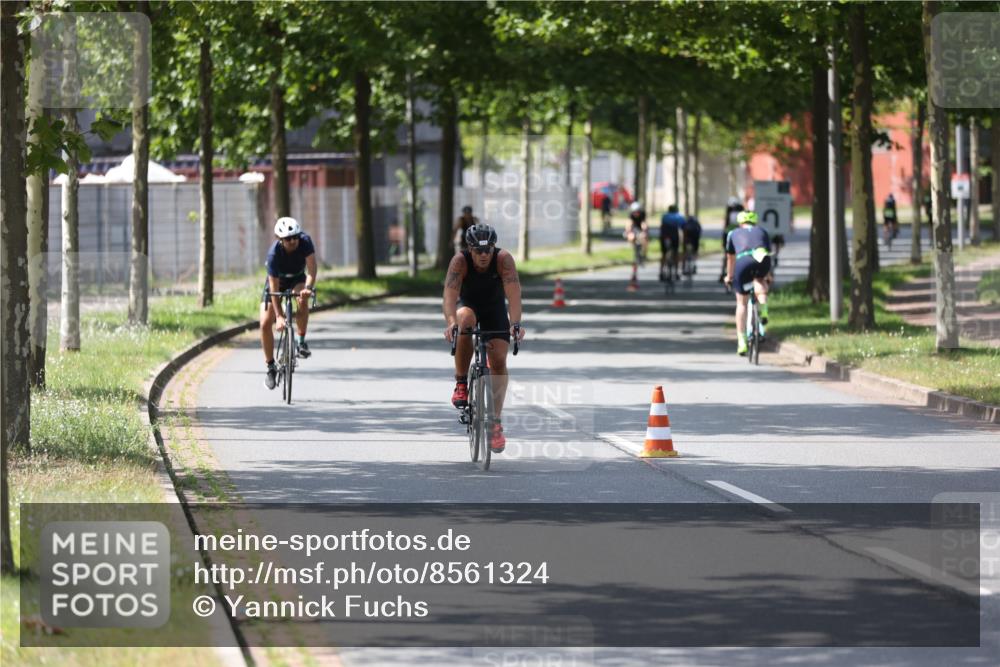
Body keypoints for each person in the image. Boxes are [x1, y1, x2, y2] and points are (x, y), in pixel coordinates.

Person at [443, 224, 525, 453]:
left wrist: (515, 323)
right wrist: (451, 323)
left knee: (499, 360)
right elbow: (449, 296)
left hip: (494, 309)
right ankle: (461, 383)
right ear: (469, 249)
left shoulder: (503, 260)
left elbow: (514, 292)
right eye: (478, 251)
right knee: (464, 320)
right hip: (467, 306)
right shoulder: (459, 262)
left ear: (493, 248)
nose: (483, 255)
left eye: (487, 250)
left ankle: (495, 423)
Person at [261, 216, 317, 389]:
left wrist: (308, 287)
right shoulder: (273, 254)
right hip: (277, 282)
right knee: (264, 323)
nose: (293, 241)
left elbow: (312, 268)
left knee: (302, 298)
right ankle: (271, 368)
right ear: (280, 239)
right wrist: (278, 316)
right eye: (288, 239)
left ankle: (300, 341)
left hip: (298, 279)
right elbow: (273, 287)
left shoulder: (305, 241)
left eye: (295, 237)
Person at [724, 211, 772, 356]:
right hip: (762, 259)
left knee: (742, 303)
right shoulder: (763, 231)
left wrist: (729, 276)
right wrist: (767, 274)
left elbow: (731, 259)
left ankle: (742, 341)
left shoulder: (732, 233)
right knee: (760, 281)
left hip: (743, 261)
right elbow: (767, 253)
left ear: (740, 223)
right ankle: (763, 310)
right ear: (755, 222)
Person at [720, 196, 744, 283]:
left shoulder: (728, 212)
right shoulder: (741, 212)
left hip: (728, 234)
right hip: (739, 234)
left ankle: (723, 272)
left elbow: (725, 225)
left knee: (727, 254)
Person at [659, 204, 685, 282]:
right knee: (676, 253)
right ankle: (677, 273)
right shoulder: (679, 216)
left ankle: (661, 272)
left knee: (664, 254)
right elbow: (683, 227)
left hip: (664, 236)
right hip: (674, 236)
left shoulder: (664, 216)